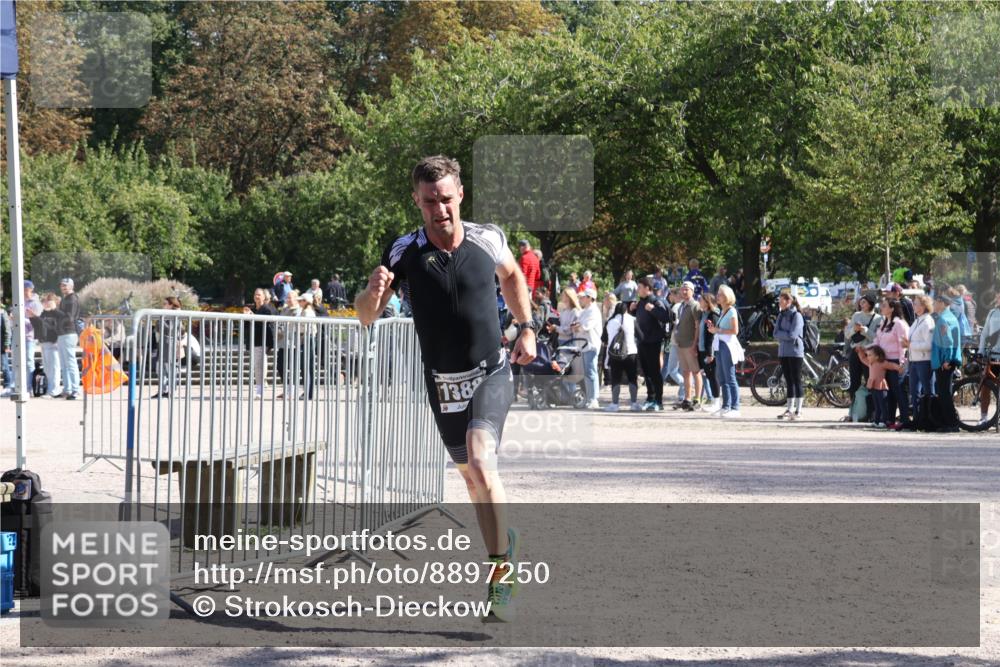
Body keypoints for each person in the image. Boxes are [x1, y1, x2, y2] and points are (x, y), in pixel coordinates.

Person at [354, 155, 535, 622]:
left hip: (490, 372)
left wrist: (527, 326)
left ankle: (499, 575)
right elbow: (366, 316)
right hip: (442, 385)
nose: (441, 209)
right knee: (474, 482)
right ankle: (504, 547)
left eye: (448, 199)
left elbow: (512, 276)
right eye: (430, 201)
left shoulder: (487, 238)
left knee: (480, 459)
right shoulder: (402, 251)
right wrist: (372, 294)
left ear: (461, 197)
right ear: (417, 200)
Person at [706, 284, 744, 417]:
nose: (717, 296)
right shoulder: (723, 311)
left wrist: (718, 330)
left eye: (720, 294)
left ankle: (735, 407)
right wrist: (714, 329)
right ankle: (726, 405)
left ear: (727, 296)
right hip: (720, 345)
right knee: (722, 377)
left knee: (730, 377)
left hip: (727, 346)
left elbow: (735, 331)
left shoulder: (732, 311)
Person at [843, 295, 882, 421]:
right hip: (856, 351)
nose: (861, 305)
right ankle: (853, 412)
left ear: (871, 304)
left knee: (870, 382)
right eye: (860, 302)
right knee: (854, 382)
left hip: (869, 353)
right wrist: (854, 329)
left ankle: (870, 412)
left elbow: (877, 338)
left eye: (864, 302)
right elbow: (847, 334)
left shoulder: (878, 319)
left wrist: (865, 330)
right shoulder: (856, 316)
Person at [634, 277, 671, 411]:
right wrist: (632, 309)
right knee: (646, 372)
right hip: (642, 341)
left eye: (639, 287)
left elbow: (666, 317)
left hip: (654, 341)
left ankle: (659, 401)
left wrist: (653, 309)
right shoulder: (640, 302)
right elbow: (641, 319)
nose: (637, 289)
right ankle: (650, 398)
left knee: (655, 372)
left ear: (647, 288)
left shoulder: (657, 301)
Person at [873, 298, 911, 428]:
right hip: (884, 361)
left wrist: (901, 362)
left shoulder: (899, 323)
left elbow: (903, 345)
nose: (881, 307)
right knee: (888, 391)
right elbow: (877, 340)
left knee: (899, 390)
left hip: (896, 360)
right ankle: (889, 419)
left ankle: (905, 419)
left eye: (884, 305)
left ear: (892, 308)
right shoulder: (884, 322)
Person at [30, 293, 74, 398]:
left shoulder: (58, 313)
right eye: (44, 301)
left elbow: (58, 326)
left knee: (54, 367)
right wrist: (33, 317)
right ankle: (49, 389)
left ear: (54, 302)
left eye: (48, 301)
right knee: (47, 368)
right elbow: (40, 326)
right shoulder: (44, 313)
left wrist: (56, 339)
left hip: (54, 343)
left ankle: (54, 390)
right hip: (44, 342)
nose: (46, 303)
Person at [931, 294, 962, 432]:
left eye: (935, 302)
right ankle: (949, 422)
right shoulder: (951, 317)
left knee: (944, 394)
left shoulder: (943, 319)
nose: (933, 305)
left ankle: (951, 424)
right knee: (945, 392)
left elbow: (948, 341)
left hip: (945, 361)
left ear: (942, 303)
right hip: (948, 360)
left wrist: (947, 360)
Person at [773, 292, 805, 420]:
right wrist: (784, 334)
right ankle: (789, 408)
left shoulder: (797, 316)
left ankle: (798, 410)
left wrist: (782, 334)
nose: (779, 303)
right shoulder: (781, 315)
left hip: (795, 352)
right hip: (783, 352)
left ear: (788, 301)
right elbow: (774, 333)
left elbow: (793, 335)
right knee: (788, 380)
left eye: (781, 300)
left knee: (796, 380)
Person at [603, 301, 640, 412]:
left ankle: (615, 404)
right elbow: (640, 335)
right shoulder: (633, 320)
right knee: (632, 378)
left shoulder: (610, 321)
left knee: (616, 379)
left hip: (615, 354)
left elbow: (604, 339)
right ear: (626, 310)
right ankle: (633, 403)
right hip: (631, 353)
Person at [905, 295, 935, 426]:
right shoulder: (917, 321)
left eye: (916, 304)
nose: (913, 306)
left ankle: (931, 419)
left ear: (923, 306)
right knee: (914, 392)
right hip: (914, 361)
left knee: (928, 391)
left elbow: (929, 345)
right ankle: (917, 419)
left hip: (924, 361)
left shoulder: (928, 321)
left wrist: (910, 345)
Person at [856, 345, 902, 428]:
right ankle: (876, 421)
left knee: (883, 405)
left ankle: (884, 421)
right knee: (877, 405)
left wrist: (899, 368)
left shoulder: (882, 363)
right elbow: (863, 359)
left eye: (870, 355)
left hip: (881, 387)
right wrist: (860, 351)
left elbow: (891, 365)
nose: (868, 357)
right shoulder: (870, 363)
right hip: (873, 387)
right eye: (868, 355)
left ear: (877, 357)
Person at [672, 281, 701, 411]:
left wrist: (695, 344)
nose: (684, 292)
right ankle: (687, 398)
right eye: (682, 290)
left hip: (690, 344)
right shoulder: (681, 306)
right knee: (685, 372)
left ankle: (697, 399)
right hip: (681, 344)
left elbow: (697, 326)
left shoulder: (695, 305)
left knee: (696, 371)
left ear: (692, 291)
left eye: (687, 289)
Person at [243, 288, 277, 398]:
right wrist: (246, 316)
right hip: (253, 340)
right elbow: (247, 326)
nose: (256, 297)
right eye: (255, 294)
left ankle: (260, 390)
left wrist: (252, 316)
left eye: (259, 295)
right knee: (257, 365)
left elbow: (267, 324)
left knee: (259, 365)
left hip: (262, 340)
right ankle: (259, 388)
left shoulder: (266, 309)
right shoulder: (253, 308)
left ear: (263, 297)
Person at [573, 288, 603, 409]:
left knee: (591, 372)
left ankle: (593, 399)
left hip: (591, 345)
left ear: (590, 298)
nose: (581, 299)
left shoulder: (593, 311)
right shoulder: (586, 310)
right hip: (584, 345)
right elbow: (577, 325)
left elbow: (585, 326)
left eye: (583, 297)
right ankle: (590, 398)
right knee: (587, 373)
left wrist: (578, 326)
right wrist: (577, 326)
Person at [976, 291, 1000, 425]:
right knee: (986, 386)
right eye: (998, 296)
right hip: (992, 356)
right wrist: (980, 351)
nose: (998, 298)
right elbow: (984, 333)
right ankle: (983, 417)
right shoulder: (992, 313)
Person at [152, 297, 184, 399]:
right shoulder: (166, 315)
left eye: (165, 303)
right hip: (163, 345)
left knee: (169, 369)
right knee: (160, 369)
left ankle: (171, 391)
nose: (163, 305)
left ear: (171, 305)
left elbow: (169, 329)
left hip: (169, 345)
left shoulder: (175, 316)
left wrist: (160, 320)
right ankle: (162, 390)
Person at [57, 278, 81, 398]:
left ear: (72, 286)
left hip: (69, 332)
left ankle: (75, 390)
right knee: (64, 363)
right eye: (62, 285)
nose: (63, 287)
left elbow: (69, 317)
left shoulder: (72, 299)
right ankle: (67, 389)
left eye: (65, 285)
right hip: (62, 333)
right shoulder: (65, 299)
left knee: (70, 362)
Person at [697, 293, 721, 412]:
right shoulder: (703, 314)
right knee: (709, 375)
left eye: (701, 300)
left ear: (707, 302)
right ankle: (713, 401)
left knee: (713, 376)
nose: (699, 301)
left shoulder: (713, 315)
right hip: (702, 349)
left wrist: (710, 353)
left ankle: (717, 402)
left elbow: (712, 336)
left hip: (709, 351)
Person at [0, 305, 11, 396]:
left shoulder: (2, 313)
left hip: (1, 346)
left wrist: (7, 344)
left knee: (4, 366)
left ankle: (8, 386)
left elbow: (7, 330)